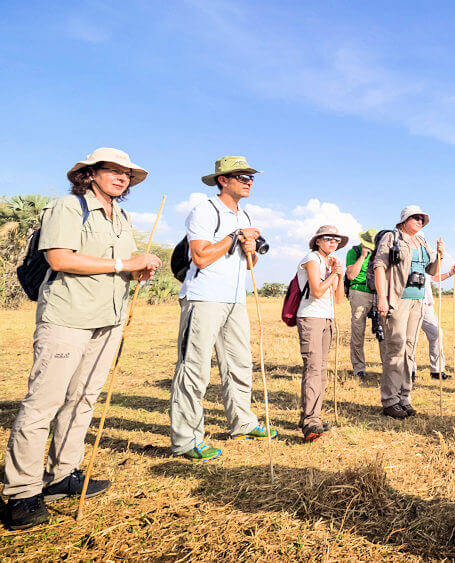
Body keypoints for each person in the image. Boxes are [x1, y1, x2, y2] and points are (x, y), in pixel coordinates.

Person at [2, 148, 162, 530]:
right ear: (90, 174)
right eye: (113, 170)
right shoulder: (68, 207)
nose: (122, 177)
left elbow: (118, 266)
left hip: (108, 320)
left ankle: (63, 474)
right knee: (44, 402)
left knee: (83, 398)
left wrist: (139, 270)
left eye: (127, 173)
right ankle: (22, 492)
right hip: (67, 318)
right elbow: (60, 259)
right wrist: (125, 264)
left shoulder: (120, 216)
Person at [169, 156, 276, 463]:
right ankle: (186, 439)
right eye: (241, 176)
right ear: (222, 180)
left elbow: (248, 264)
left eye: (250, 177)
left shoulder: (246, 213)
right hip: (203, 296)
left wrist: (251, 250)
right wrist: (233, 236)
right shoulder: (205, 209)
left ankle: (242, 422)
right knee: (194, 368)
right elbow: (200, 257)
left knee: (240, 363)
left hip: (235, 299)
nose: (249, 181)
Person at [372, 206, 442, 419]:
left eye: (422, 218)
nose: (420, 221)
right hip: (398, 299)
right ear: (404, 219)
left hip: (418, 301)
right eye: (416, 217)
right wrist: (382, 298)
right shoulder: (392, 238)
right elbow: (379, 266)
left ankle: (404, 397)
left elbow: (432, 271)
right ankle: (390, 400)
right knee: (395, 348)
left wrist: (439, 254)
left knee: (409, 350)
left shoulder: (422, 241)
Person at [294, 225, 347, 442]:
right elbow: (316, 291)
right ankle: (310, 421)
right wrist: (333, 274)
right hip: (311, 317)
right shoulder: (312, 259)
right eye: (328, 239)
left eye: (336, 240)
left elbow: (338, 299)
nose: (333, 242)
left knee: (320, 370)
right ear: (318, 241)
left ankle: (310, 416)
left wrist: (340, 276)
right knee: (314, 368)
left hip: (327, 318)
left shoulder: (329, 263)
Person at [408, 263, 455, 382]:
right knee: (410, 338)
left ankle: (437, 370)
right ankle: (410, 371)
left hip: (426, 305)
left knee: (437, 334)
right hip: (410, 303)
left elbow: (433, 277)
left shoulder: (424, 258)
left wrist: (449, 274)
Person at [344, 228, 380, 378]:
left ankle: (388, 366)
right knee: (358, 331)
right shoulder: (354, 252)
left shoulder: (380, 252)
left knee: (383, 332)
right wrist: (363, 256)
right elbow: (351, 275)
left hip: (377, 293)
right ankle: (359, 367)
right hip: (359, 292)